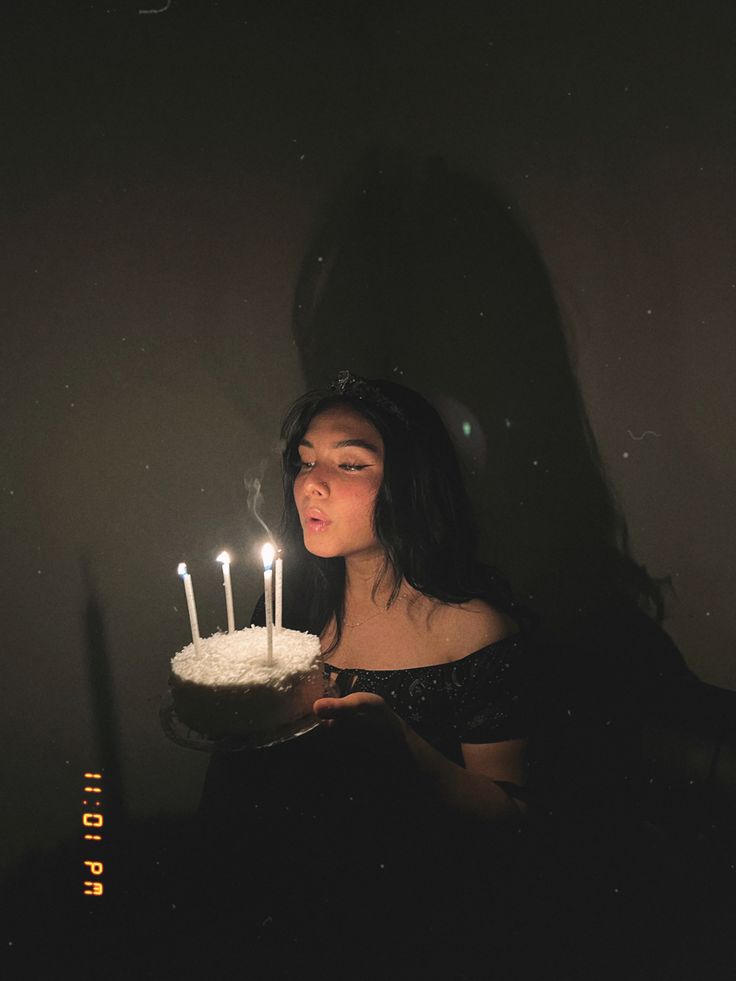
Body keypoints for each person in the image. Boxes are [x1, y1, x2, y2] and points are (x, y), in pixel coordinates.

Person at [196, 370, 537, 978]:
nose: (313, 486)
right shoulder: (287, 617)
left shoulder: (477, 633)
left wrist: (400, 746)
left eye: (350, 466)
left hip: (410, 931)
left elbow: (514, 819)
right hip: (277, 914)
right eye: (305, 463)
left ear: (410, 484)